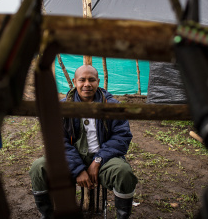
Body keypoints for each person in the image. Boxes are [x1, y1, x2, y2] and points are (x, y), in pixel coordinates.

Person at [29, 65, 138, 219]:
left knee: (124, 172)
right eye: (82, 80)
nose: (87, 84)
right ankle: (46, 215)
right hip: (69, 161)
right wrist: (78, 169)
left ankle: (123, 216)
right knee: (38, 167)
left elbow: (122, 137)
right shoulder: (61, 107)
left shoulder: (112, 106)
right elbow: (57, 141)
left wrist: (97, 161)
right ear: (75, 81)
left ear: (98, 81)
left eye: (91, 80)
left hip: (104, 161)